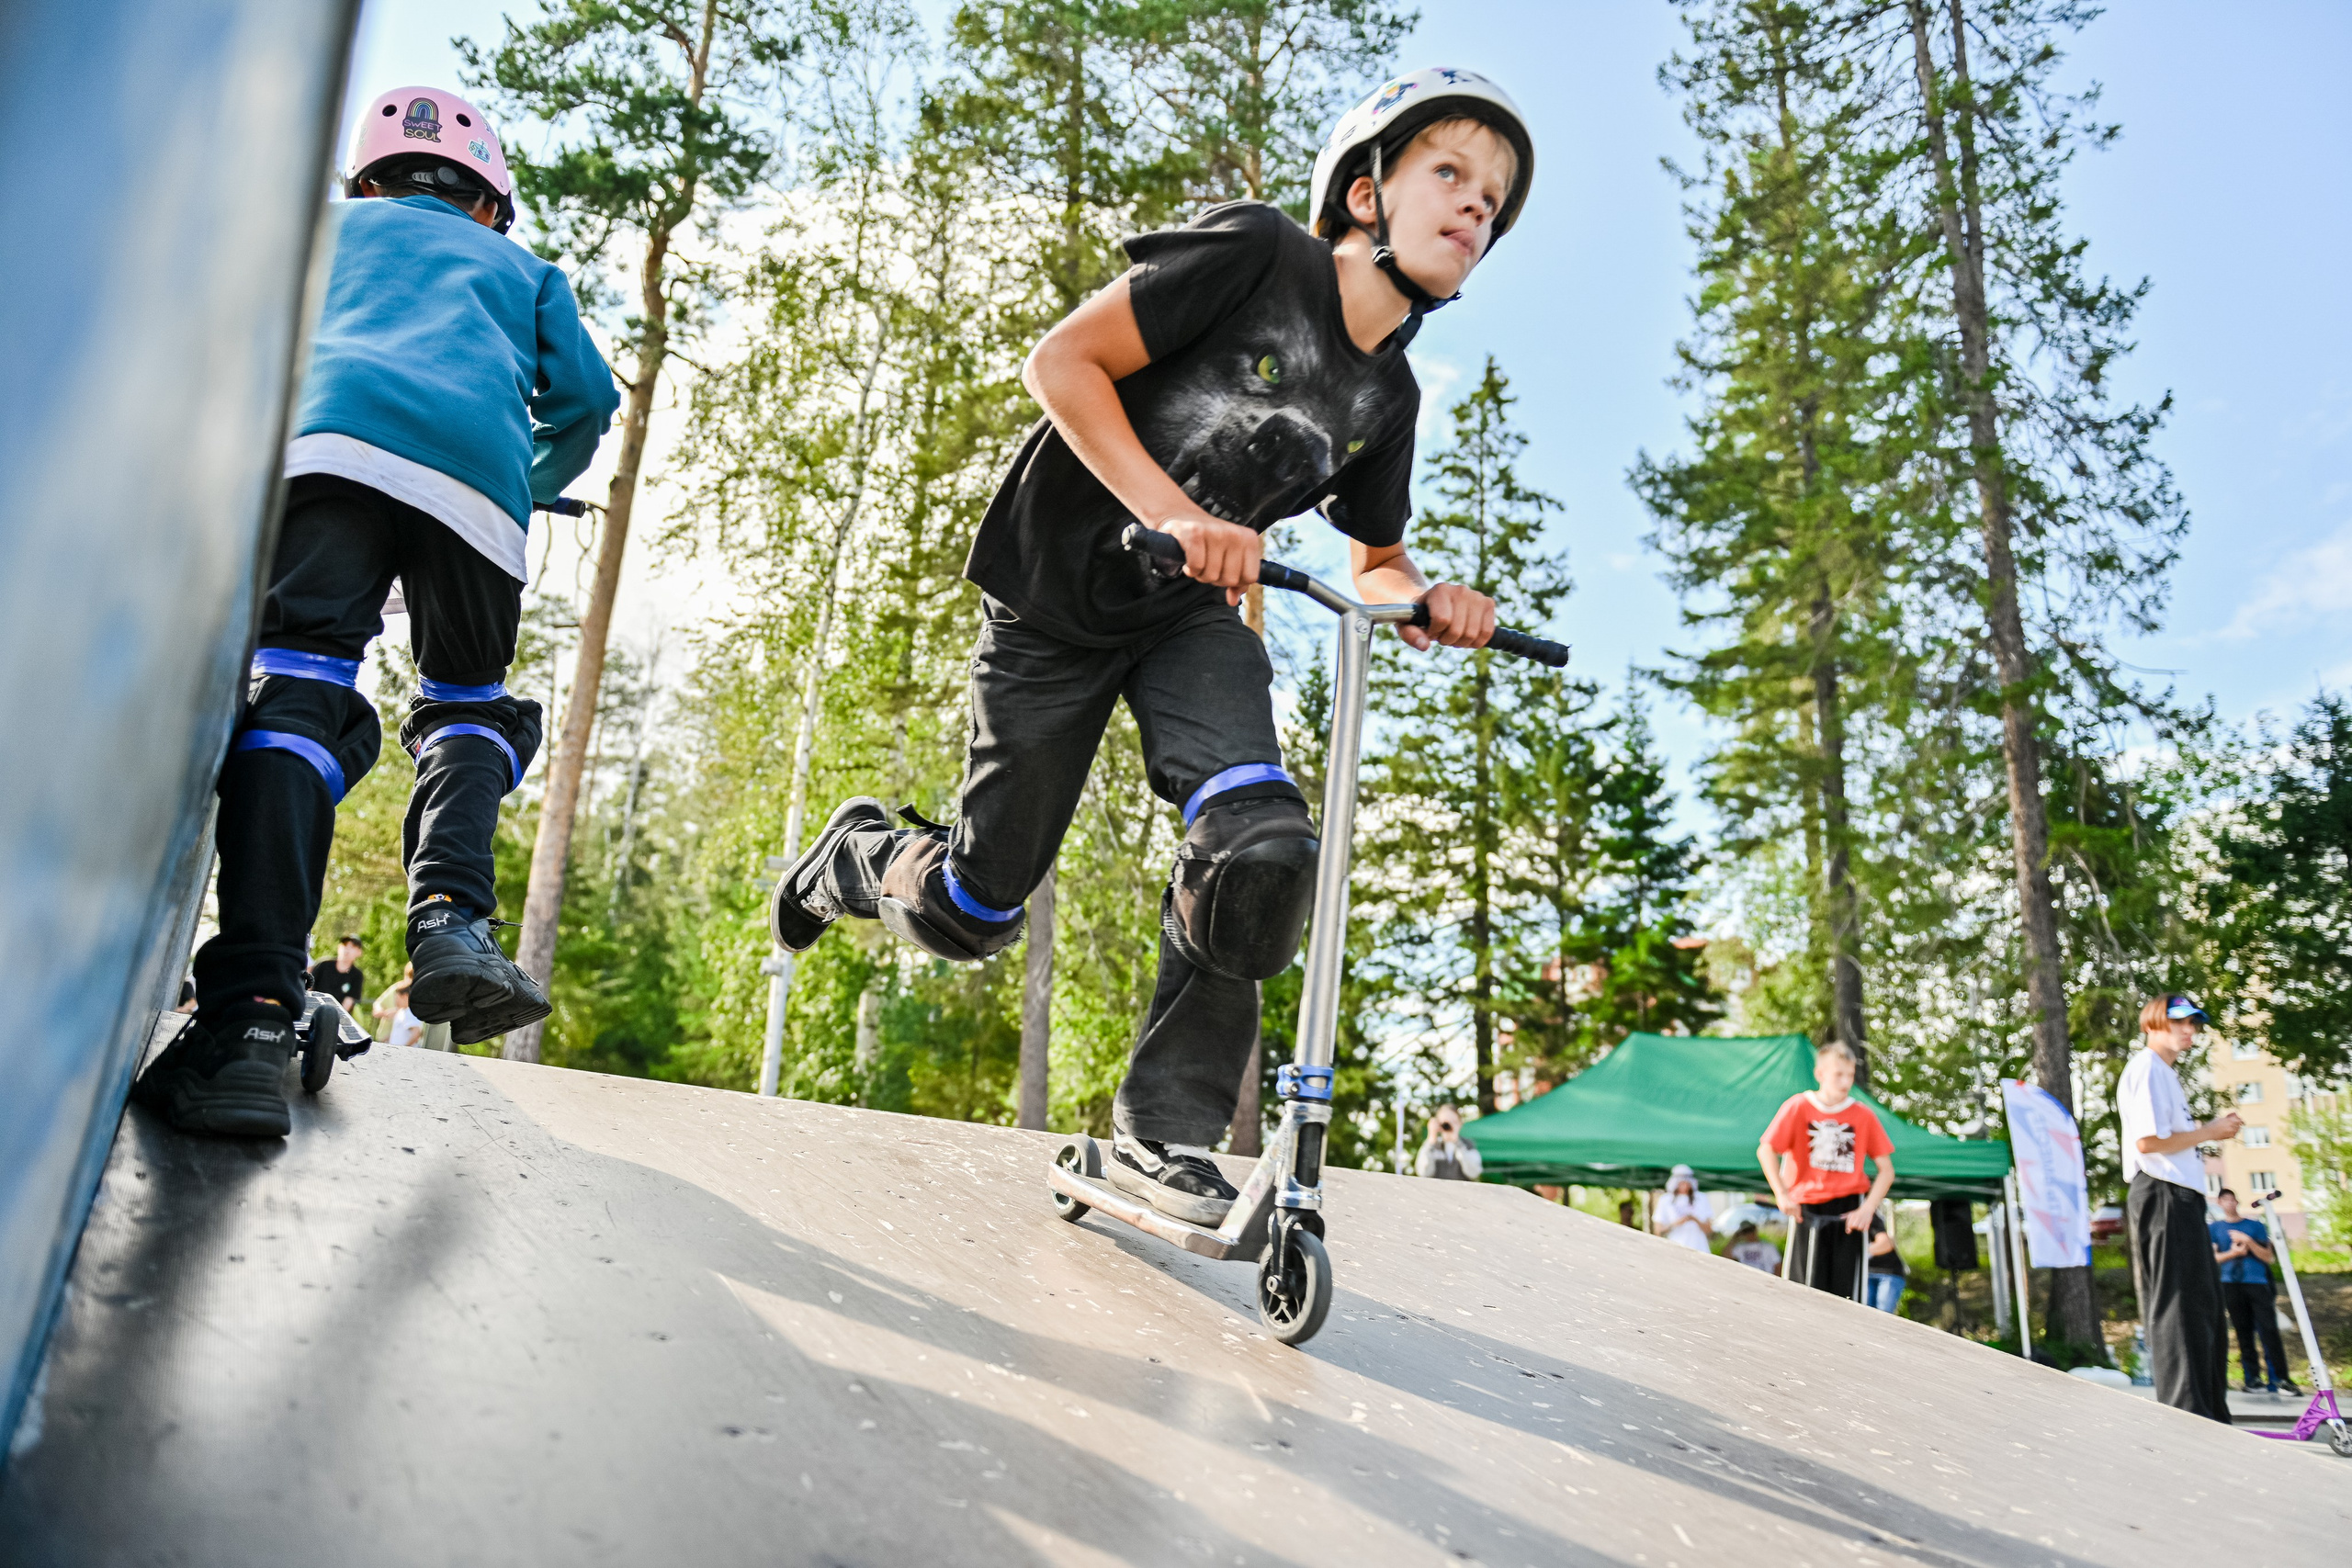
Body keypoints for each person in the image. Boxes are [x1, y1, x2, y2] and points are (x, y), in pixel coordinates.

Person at [765, 69, 1536, 1225]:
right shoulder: (1258, 256)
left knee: (1261, 844)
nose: (1477, 207)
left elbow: (1376, 558)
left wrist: (1431, 597)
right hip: (1053, 597)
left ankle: (1162, 1133)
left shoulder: (1389, 394)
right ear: (1367, 192)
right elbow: (1061, 364)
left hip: (1185, 620)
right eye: (1451, 175)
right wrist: (1169, 509)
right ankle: (861, 858)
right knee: (977, 906)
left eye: (1495, 199)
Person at [132, 86, 617, 1138]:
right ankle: (451, 923)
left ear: (368, 181)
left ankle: (251, 1017)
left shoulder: (323, 231)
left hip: (330, 455)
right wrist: (526, 480)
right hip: (479, 494)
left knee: (300, 690)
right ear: (490, 201)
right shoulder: (529, 272)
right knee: (467, 707)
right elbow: (588, 402)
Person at [2120, 993, 2240, 1423]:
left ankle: (2208, 1409)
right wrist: (2210, 1130)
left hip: (2181, 1197)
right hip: (2162, 1193)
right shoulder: (2148, 1069)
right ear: (2153, 1023)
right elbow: (2148, 1143)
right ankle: (2187, 1414)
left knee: (2203, 1303)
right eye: (2179, 1022)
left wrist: (2207, 1131)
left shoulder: (2164, 1074)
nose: (2189, 1030)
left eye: (2194, 1023)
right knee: (2177, 1305)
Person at [1759, 1039, 1894, 1300]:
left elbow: (1886, 1170)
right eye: (1838, 1075)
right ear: (1820, 1074)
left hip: (1849, 1212)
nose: (1845, 1082)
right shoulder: (1799, 1106)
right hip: (1806, 1210)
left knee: (1847, 1297)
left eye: (1850, 1075)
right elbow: (1766, 1149)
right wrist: (1781, 1194)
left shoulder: (1863, 1114)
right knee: (1801, 1291)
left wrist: (1867, 1209)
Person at [2211, 1187, 2299, 1394]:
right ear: (2220, 1203)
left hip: (2257, 1282)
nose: (2229, 1204)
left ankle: (2279, 1379)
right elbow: (2213, 1257)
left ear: (2237, 1202)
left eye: (2232, 1200)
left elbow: (2268, 1257)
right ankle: (2252, 1379)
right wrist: (2233, 1253)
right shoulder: (2215, 1228)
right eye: (2225, 1200)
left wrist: (2248, 1242)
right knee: (2243, 1332)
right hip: (2230, 1284)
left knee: (2268, 1330)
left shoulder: (2254, 1226)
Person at [1651, 1165, 1713, 1253]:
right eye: (1681, 1182)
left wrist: (1694, 1219)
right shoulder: (1665, 1200)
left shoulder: (1701, 1198)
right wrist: (1676, 1223)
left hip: (1699, 1248)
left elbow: (1710, 1230)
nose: (1684, 1186)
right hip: (1675, 1249)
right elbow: (1658, 1231)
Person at [1416, 1107, 1483, 1180]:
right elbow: (1423, 1172)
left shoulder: (1468, 1144)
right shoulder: (1431, 1145)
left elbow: (1474, 1173)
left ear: (1460, 1124)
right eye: (1444, 1122)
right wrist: (1431, 1140)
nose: (1448, 1125)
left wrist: (1458, 1144)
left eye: (1453, 1122)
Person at [1865, 1209, 1906, 1314]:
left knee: (1883, 1314)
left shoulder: (1867, 1214)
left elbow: (1885, 1244)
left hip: (1888, 1273)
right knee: (1866, 1314)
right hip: (1867, 1273)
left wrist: (1862, 1252)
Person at [313, 933, 367, 1012]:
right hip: (314, 1009)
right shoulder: (323, 965)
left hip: (335, 1016)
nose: (347, 950)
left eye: (352, 947)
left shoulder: (357, 975)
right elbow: (308, 987)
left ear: (359, 952)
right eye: (345, 945)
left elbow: (348, 1002)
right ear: (339, 947)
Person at [386, 985, 425, 1051]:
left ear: (405, 996)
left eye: (397, 997)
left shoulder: (410, 1012)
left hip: (403, 1054)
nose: (396, 1001)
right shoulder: (402, 1012)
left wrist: (404, 1048)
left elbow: (416, 1033)